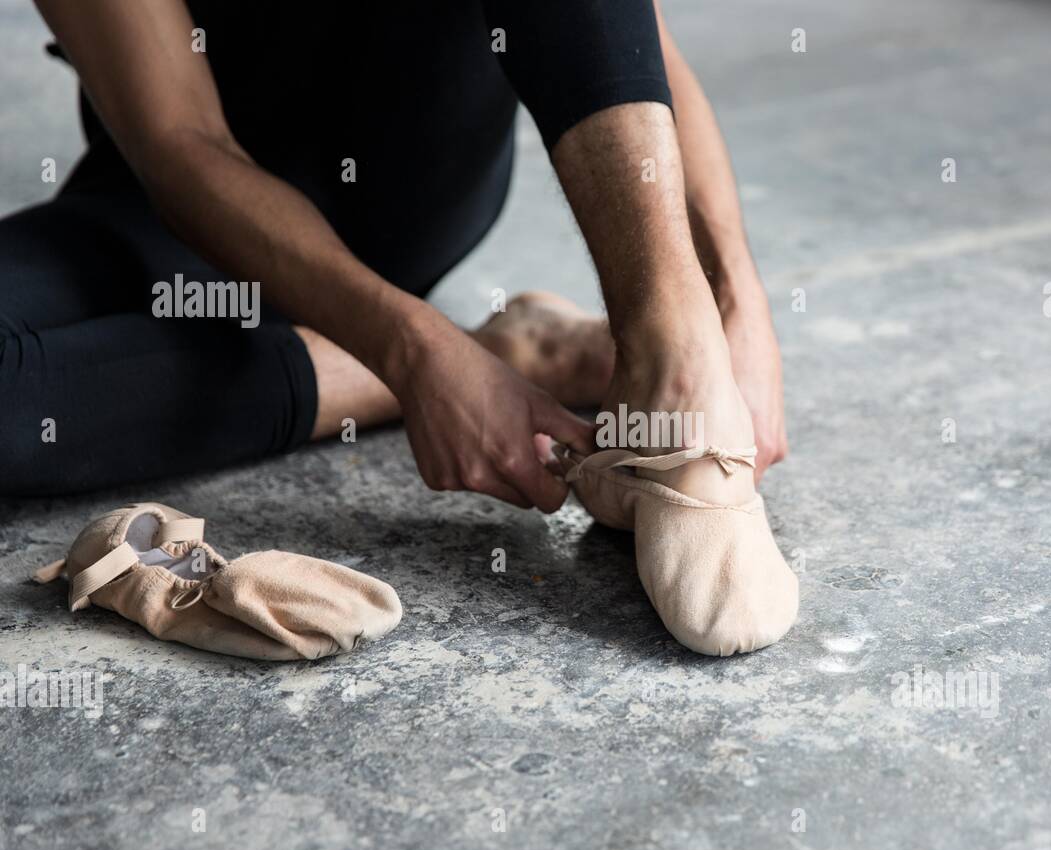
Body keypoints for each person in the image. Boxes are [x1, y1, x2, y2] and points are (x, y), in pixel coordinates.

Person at [0, 0, 787, 513]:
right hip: (190, 219)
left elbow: (628, 40)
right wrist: (413, 352)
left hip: (407, 184)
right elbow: (183, 144)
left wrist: (731, 300)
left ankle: (670, 351)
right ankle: (511, 351)